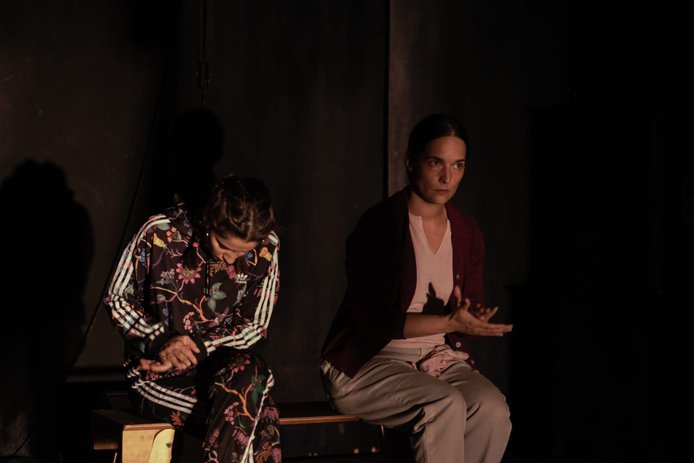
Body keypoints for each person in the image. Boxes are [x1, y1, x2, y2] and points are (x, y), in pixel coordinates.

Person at [319, 114, 513, 463]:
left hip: (435, 360)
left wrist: (470, 320)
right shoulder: (381, 224)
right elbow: (375, 322)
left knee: (492, 409)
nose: (447, 178)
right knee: (443, 404)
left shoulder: (466, 231)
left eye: (458, 165)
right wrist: (449, 322)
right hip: (368, 362)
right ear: (411, 162)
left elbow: (462, 318)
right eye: (436, 163)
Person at [104, 174, 282, 463]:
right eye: (224, 246)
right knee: (261, 414)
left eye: (243, 252)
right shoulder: (160, 231)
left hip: (225, 373)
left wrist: (200, 346)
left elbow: (255, 326)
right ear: (209, 221)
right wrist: (161, 340)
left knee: (251, 372)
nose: (231, 259)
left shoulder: (268, 247)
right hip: (160, 377)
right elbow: (117, 298)